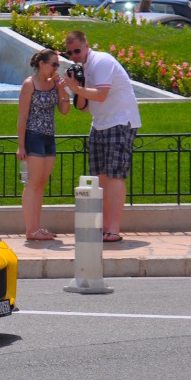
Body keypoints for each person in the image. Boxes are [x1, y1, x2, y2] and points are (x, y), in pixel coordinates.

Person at [63, 29, 142, 243]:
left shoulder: (102, 61)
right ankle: (104, 227)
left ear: (86, 45)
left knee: (115, 175)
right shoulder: (84, 69)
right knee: (99, 177)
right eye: (69, 53)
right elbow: (83, 108)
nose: (74, 56)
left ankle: (113, 229)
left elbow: (102, 94)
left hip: (119, 120)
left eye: (77, 51)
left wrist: (76, 89)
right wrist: (75, 88)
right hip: (99, 123)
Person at [16, 48, 71, 240]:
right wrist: (21, 146)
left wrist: (63, 89)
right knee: (33, 183)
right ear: (42, 64)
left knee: (41, 183)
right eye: (53, 64)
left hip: (49, 137)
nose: (56, 68)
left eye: (58, 65)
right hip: (33, 136)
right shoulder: (29, 84)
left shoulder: (55, 85)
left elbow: (64, 110)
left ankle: (37, 227)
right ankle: (31, 229)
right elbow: (22, 117)